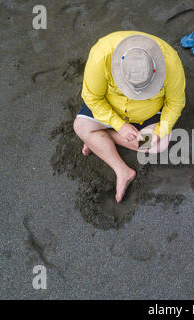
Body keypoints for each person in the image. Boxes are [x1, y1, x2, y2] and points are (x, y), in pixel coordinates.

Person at [73, 31, 186, 202]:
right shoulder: (101, 55)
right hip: (109, 109)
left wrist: (160, 131)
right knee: (80, 126)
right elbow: (92, 97)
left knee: (158, 145)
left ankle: (97, 138)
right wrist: (120, 126)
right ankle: (122, 170)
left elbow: (176, 102)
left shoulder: (171, 61)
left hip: (148, 113)